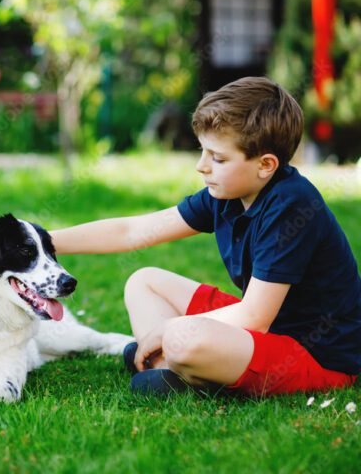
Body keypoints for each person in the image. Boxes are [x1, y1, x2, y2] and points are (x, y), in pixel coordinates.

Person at [51, 77, 361, 396]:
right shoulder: (225, 194)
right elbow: (134, 231)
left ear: (265, 165)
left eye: (218, 158)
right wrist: (43, 239)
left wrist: (167, 330)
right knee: (144, 281)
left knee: (182, 336)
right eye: (202, 151)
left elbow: (255, 316)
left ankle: (170, 364)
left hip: (316, 358)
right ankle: (170, 367)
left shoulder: (291, 205)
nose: (202, 166)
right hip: (266, 335)